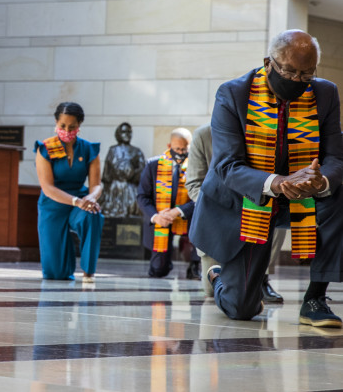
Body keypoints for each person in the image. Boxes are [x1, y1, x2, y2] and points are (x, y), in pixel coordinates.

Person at [190, 29, 343, 328]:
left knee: (339, 189)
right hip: (247, 200)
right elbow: (226, 165)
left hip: (301, 195)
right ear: (268, 63)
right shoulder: (233, 93)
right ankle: (219, 274)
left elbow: (336, 156)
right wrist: (277, 182)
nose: (297, 81)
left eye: (306, 74)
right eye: (289, 71)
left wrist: (319, 180)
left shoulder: (325, 93)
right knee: (242, 309)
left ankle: (315, 299)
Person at [186, 123, 284, 302]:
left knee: (276, 215)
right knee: (212, 292)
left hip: (256, 208)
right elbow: (193, 184)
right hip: (218, 213)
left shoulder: (265, 129)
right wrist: (219, 208)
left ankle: (261, 277)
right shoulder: (203, 135)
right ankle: (220, 278)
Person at [34, 101, 104, 282]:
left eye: (72, 126)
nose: (67, 130)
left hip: (80, 201)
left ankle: (89, 271)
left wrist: (91, 197)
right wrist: (77, 201)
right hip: (53, 205)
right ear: (56, 123)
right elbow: (47, 188)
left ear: (79, 125)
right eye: (62, 126)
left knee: (93, 214)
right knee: (56, 274)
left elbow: (97, 184)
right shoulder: (45, 148)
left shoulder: (89, 149)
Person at [137, 128, 200, 279]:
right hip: (161, 216)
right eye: (177, 149)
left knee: (200, 222)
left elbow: (200, 196)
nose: (180, 152)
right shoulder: (153, 165)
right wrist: (155, 216)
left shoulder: (197, 166)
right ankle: (164, 261)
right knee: (158, 270)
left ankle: (194, 264)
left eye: (184, 149)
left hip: (186, 214)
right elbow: (142, 196)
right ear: (169, 145)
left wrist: (179, 211)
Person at [99, 122, 145, 218]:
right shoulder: (112, 150)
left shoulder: (137, 151)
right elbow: (107, 173)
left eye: (129, 132)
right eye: (124, 132)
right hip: (114, 188)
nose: (127, 134)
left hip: (131, 188)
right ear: (118, 134)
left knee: (134, 209)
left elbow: (142, 170)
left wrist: (132, 174)